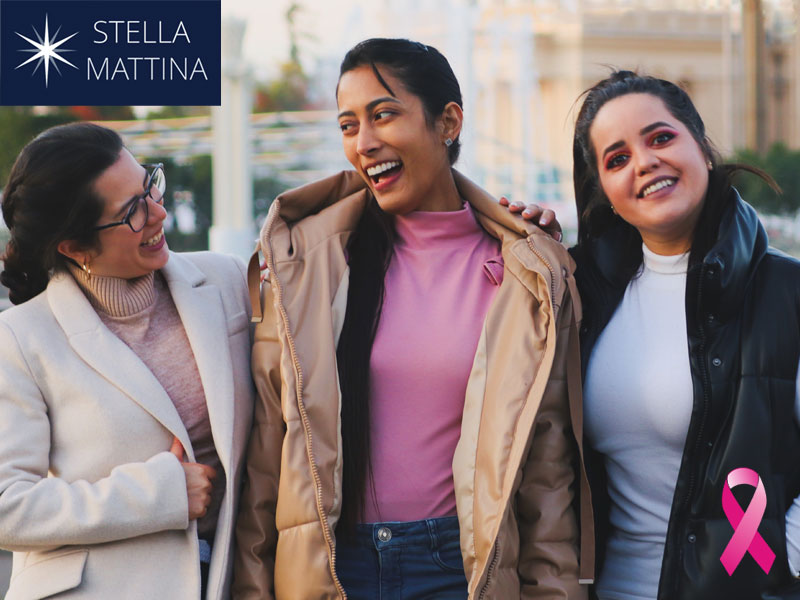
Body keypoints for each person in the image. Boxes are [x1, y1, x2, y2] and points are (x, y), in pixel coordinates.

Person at [233, 38, 593, 599]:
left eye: (383, 115)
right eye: (348, 125)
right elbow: (266, 463)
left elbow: (547, 475)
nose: (364, 142)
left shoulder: (524, 273)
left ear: (448, 121)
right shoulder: (308, 264)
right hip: (329, 569)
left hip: (461, 569)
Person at [507, 70, 800, 599]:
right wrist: (528, 254)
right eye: (617, 159)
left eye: (661, 138)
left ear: (703, 149)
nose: (644, 162)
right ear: (608, 194)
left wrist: (770, 560)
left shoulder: (786, 291)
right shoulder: (582, 299)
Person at [0, 122, 254, 599]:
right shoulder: (18, 340)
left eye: (150, 185)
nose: (159, 212)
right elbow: (7, 505)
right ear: (75, 248)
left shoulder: (227, 281)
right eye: (132, 212)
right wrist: (160, 493)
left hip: (230, 579)